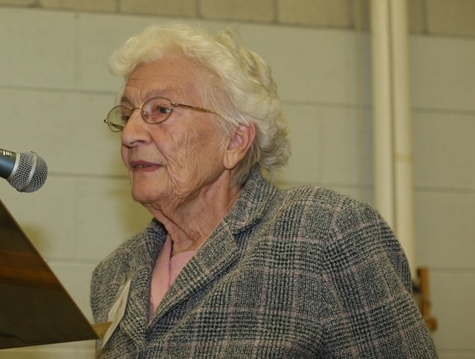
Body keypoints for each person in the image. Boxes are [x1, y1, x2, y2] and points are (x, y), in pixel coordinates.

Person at [90, 23, 437, 358]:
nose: (129, 133)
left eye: (161, 110)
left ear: (236, 140)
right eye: (126, 114)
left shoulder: (323, 233)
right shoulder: (115, 272)